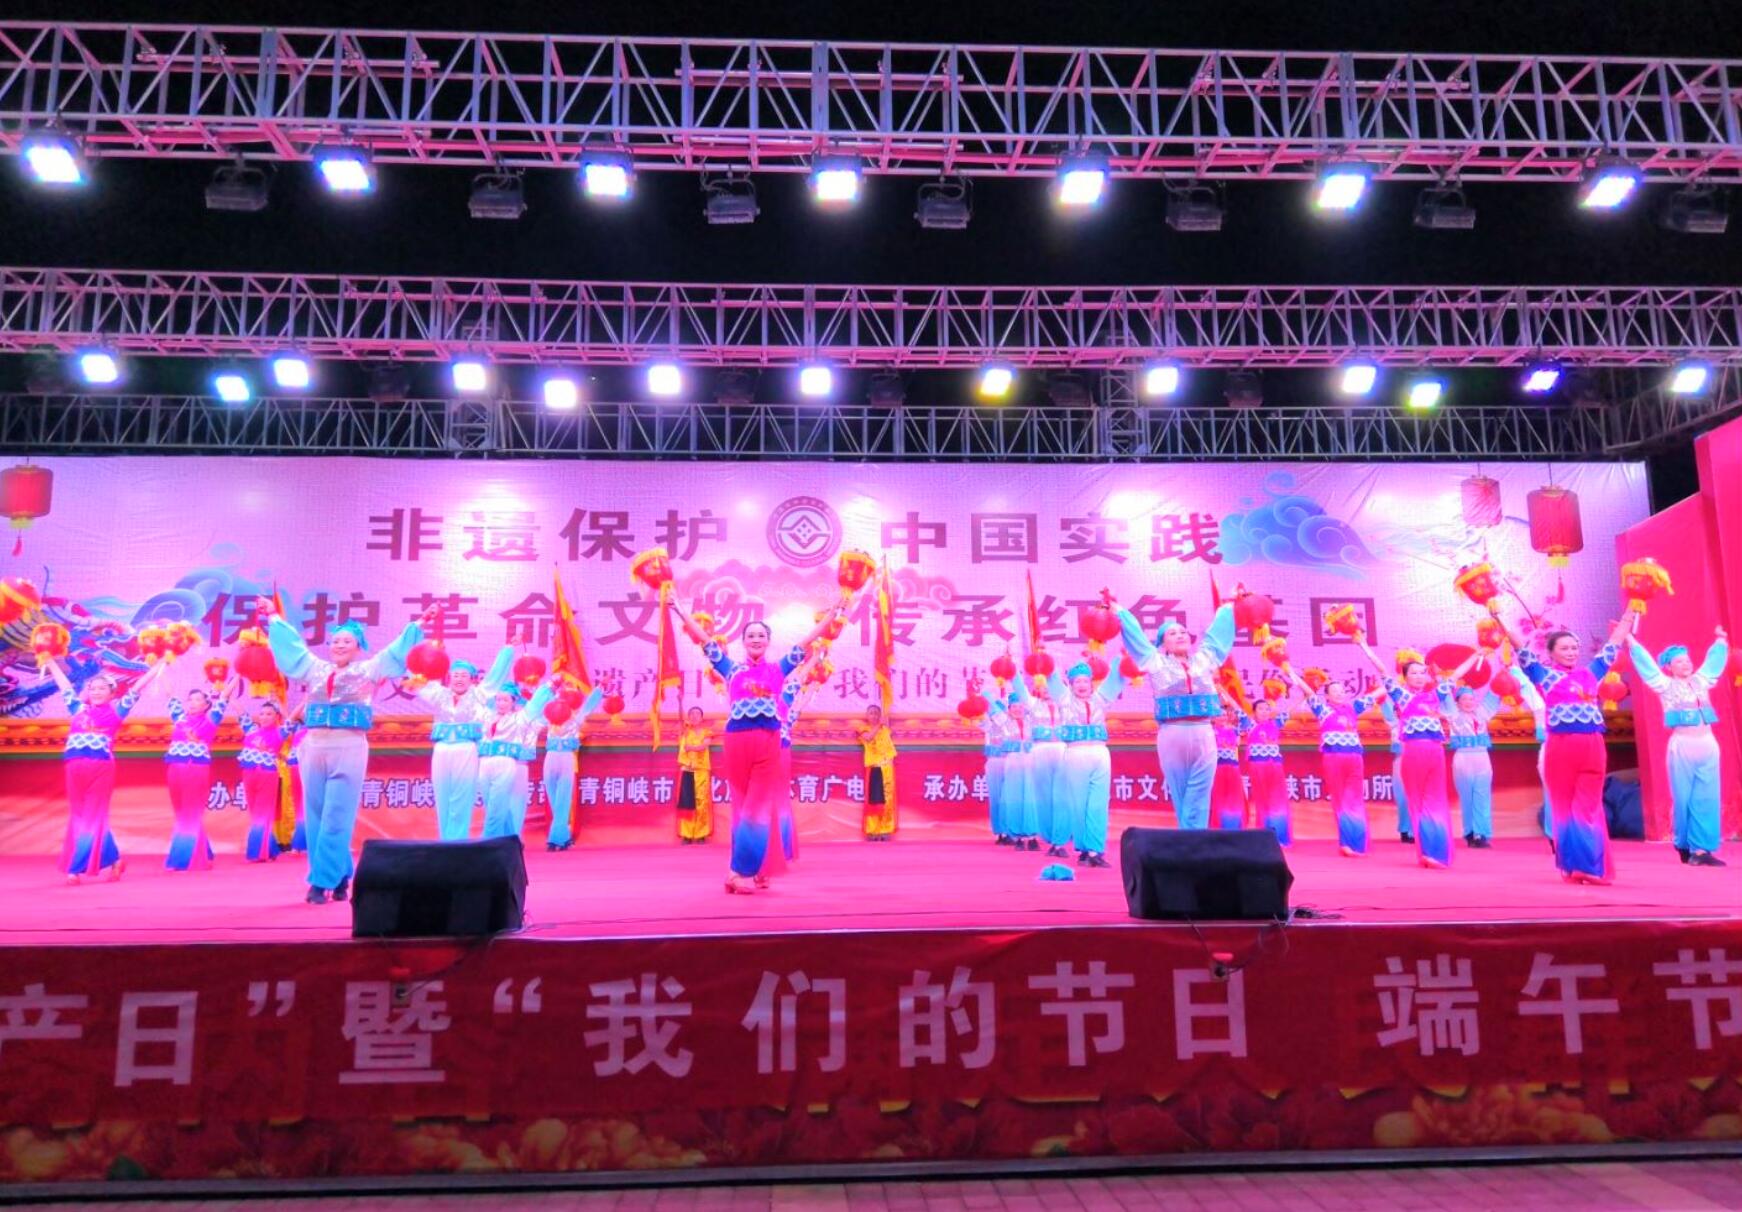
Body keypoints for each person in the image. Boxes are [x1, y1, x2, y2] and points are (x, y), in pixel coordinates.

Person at [264, 598, 433, 904]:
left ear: (358, 647)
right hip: (314, 745)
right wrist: (274, 616)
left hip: (349, 745)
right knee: (315, 813)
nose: (339, 645)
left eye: (347, 641)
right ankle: (340, 874)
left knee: (336, 815)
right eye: (336, 641)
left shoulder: (369, 669)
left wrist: (419, 624)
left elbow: (395, 651)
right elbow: (292, 649)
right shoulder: (315, 668)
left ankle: (320, 883)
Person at [675, 604, 840, 894]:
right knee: (742, 806)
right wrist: (678, 608)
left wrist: (833, 613)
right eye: (750, 635)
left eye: (761, 635)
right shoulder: (731, 670)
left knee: (759, 806)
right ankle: (737, 872)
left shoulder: (779, 669)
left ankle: (743, 872)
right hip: (736, 742)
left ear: (768, 641)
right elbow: (705, 640)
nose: (755, 639)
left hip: (768, 742)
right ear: (743, 641)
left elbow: (809, 639)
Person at [1505, 612, 1637, 884]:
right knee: (1563, 806)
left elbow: (1613, 644)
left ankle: (1591, 866)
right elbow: (1520, 647)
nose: (1571, 652)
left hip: (1592, 747)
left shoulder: (1591, 673)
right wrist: (1498, 617)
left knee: (1588, 806)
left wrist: (1629, 614)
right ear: (1551, 653)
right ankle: (1571, 865)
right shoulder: (1543, 676)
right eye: (1564, 648)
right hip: (1560, 748)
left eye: (1575, 648)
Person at [1356, 636, 1484, 870]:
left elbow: (1456, 674)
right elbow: (1382, 669)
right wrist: (1362, 644)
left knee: (1436, 800)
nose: (1418, 676)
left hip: (1435, 752)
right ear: (1405, 677)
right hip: (1413, 752)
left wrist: (1476, 655)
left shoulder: (1435, 695)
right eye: (1413, 673)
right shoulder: (1401, 695)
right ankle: (1425, 852)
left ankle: (1437, 852)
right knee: (1418, 800)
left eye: (1422, 672)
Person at [1114, 599, 1236, 830]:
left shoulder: (1205, 658)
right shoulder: (1154, 661)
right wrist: (1118, 611)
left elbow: (1217, 635)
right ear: (1163, 644)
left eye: (1183, 631)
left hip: (1203, 731)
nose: (1180, 635)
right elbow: (1136, 637)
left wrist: (1229, 606)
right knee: (1180, 789)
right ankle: (1188, 838)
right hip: (1172, 733)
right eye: (1172, 633)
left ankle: (1193, 837)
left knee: (1201, 790)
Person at [42, 656, 165, 883]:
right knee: (80, 815)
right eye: (92, 688)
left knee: (92, 816)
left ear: (111, 693)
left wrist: (158, 665)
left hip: (100, 769)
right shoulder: (78, 709)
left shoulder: (117, 711)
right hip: (74, 767)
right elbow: (65, 686)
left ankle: (75, 868)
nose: (96, 692)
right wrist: (49, 662)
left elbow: (137, 688)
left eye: (102, 688)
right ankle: (115, 860)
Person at [1627, 626, 1728, 867]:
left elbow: (1713, 663)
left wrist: (1720, 641)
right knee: (1683, 798)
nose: (1686, 664)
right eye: (1679, 662)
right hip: (1683, 745)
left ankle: (1701, 850)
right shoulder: (1665, 685)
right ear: (1669, 667)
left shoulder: (1701, 681)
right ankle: (1683, 843)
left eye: (1687, 660)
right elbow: (1648, 668)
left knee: (1707, 798)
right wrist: (1630, 640)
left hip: (1708, 744)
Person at [409, 648, 514, 841]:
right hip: (441, 749)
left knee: (461, 796)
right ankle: (445, 841)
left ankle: (457, 842)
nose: (459, 679)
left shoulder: (479, 694)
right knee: (442, 795)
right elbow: (416, 674)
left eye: (464, 676)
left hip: (466, 748)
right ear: (449, 677)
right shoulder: (438, 693)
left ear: (472, 679)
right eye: (455, 675)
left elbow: (496, 675)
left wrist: (508, 650)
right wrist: (414, 648)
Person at [1034, 659, 1127, 867]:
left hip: (1100, 753)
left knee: (1098, 803)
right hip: (1076, 753)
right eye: (1077, 681)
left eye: (1085, 681)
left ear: (1091, 683)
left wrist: (1121, 659)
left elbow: (1117, 677)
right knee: (1078, 803)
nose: (1082, 685)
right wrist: (1043, 658)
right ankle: (1084, 848)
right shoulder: (1064, 699)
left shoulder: (1101, 698)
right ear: (1071, 685)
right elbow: (1052, 676)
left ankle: (1095, 850)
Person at [1291, 670, 1380, 856]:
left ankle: (1358, 844)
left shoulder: (1353, 709)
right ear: (1327, 696)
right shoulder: (1323, 710)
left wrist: (1393, 681)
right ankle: (1346, 844)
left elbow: (1375, 695)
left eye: (1342, 691)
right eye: (1335, 691)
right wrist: (1290, 672)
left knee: (1355, 799)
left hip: (1355, 758)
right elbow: (1308, 691)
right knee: (1340, 799)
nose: (1340, 693)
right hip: (1334, 758)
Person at [162, 678, 236, 871]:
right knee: (181, 813)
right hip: (174, 769)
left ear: (206, 705)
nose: (192, 703)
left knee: (191, 812)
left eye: (197, 700)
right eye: (190, 699)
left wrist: (238, 674)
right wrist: (162, 669)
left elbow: (225, 696)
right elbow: (170, 694)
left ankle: (182, 859)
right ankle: (203, 851)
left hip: (195, 769)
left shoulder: (211, 720)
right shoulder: (179, 718)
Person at [477, 680, 557, 840]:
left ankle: (488, 843)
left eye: (505, 700)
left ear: (514, 702)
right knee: (495, 806)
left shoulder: (521, 718)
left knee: (499, 806)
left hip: (508, 763)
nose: (501, 703)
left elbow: (535, 705)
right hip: (484, 763)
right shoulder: (487, 716)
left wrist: (549, 686)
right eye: (498, 699)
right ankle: (511, 840)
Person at [1010, 669, 1070, 855]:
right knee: (1042, 798)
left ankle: (1059, 842)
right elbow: (1020, 689)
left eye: (1050, 686)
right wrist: (1012, 671)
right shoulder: (1033, 705)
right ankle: (1049, 837)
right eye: (1043, 687)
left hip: (1062, 750)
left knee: (1062, 797)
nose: (1046, 690)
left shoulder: (1066, 705)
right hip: (1040, 751)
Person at [542, 684, 606, 851]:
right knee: (554, 800)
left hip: (566, 759)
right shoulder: (549, 719)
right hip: (550, 758)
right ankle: (563, 837)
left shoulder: (576, 719)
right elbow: (544, 703)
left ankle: (554, 840)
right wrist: (552, 687)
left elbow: (589, 705)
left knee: (563, 799)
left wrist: (600, 688)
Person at [238, 697, 298, 862]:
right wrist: (227, 693)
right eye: (262, 714)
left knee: (262, 814)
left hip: (267, 775)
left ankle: (257, 853)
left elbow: (291, 718)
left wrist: (302, 703)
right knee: (255, 814)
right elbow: (241, 712)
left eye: (269, 714)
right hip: (248, 774)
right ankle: (270, 848)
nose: (264, 717)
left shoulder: (280, 732)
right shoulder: (251, 730)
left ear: (276, 717)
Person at [1448, 683, 1503, 849]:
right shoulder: (1453, 714)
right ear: (1457, 702)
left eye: (1472, 699)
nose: (1469, 702)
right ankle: (1470, 833)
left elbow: (1495, 693)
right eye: (1464, 699)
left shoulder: (1482, 713)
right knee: (1467, 798)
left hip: (1482, 758)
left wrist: (1506, 672)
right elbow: (1443, 697)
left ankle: (1481, 834)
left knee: (1482, 796)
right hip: (1463, 759)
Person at [1510, 663, 1551, 838]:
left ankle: (1571, 833)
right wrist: (1514, 669)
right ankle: (1553, 834)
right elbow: (1527, 687)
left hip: (1571, 747)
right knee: (1550, 791)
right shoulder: (1540, 703)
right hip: (1549, 748)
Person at [1244, 695, 1289, 846]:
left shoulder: (1276, 723)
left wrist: (1305, 692)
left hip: (1275, 766)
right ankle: (1264, 836)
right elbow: (1236, 707)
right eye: (1260, 709)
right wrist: (1222, 690)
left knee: (1278, 800)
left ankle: (1279, 836)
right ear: (1254, 712)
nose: (1264, 712)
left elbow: (1292, 708)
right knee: (1262, 800)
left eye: (1267, 709)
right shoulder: (1249, 724)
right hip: (1257, 766)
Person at [856, 704, 899, 841]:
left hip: (887, 769)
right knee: (874, 801)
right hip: (874, 768)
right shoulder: (862, 728)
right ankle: (873, 831)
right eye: (871, 713)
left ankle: (885, 830)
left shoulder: (885, 730)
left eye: (876, 713)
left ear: (880, 716)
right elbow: (868, 738)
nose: (874, 715)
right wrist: (879, 724)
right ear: (867, 715)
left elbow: (890, 751)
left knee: (887, 800)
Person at [1002, 697, 1040, 851]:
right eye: (1014, 707)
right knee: (1015, 798)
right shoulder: (1003, 723)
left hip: (1031, 762)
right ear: (1009, 709)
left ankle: (1032, 837)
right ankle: (1017, 837)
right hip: (1013, 763)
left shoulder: (1032, 722)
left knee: (1031, 798)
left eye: (1020, 706)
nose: (1017, 709)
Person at [1378, 696, 1415, 845]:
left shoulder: (1418, 723)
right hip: (1400, 761)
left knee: (1416, 797)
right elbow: (1385, 705)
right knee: (1402, 798)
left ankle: (1415, 830)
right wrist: (1380, 694)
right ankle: (1405, 830)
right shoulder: (1394, 723)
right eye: (1399, 708)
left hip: (1417, 761)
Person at [676, 706, 715, 843]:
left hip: (701, 771)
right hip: (687, 770)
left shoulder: (707, 732)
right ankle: (686, 835)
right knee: (687, 802)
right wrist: (680, 701)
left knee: (701, 802)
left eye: (697, 714)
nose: (694, 716)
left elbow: (704, 746)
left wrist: (691, 748)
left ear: (702, 717)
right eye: (691, 714)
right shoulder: (685, 732)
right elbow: (680, 718)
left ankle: (700, 834)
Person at [1211, 697, 1250, 830]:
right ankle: (1219, 826)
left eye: (1224, 715)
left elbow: (1246, 721)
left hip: (1232, 768)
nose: (1222, 717)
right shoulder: (1209, 732)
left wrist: (1231, 701)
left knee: (1234, 798)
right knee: (1218, 798)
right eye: (1218, 715)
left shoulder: (1233, 730)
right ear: (1213, 718)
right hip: (1216, 768)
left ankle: (1234, 825)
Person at [980, 696, 1011, 845]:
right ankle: (1000, 832)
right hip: (993, 763)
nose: (995, 715)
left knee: (1009, 798)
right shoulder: (987, 725)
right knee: (996, 799)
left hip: (1009, 762)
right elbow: (977, 720)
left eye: (997, 713)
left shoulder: (1009, 725)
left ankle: (1010, 831)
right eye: (992, 713)